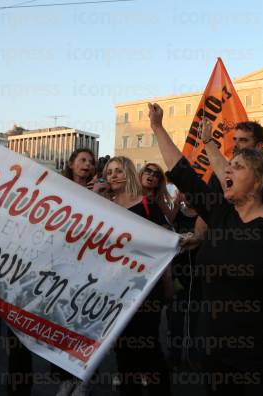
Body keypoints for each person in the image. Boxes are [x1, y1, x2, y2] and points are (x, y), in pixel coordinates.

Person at [149, 102, 263, 396]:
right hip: (216, 356)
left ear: (258, 183)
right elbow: (182, 171)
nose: (226, 171)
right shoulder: (220, 214)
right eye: (228, 167)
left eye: (237, 168)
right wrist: (158, 128)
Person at [103, 156, 173, 395]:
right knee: (123, 351)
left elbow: (166, 247)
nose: (112, 175)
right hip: (115, 291)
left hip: (145, 291)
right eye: (109, 171)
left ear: (130, 174)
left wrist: (168, 285)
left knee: (148, 346)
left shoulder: (147, 206)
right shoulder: (103, 207)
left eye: (118, 170)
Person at [139, 163, 180, 229]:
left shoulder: (158, 199)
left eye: (156, 175)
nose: (152, 174)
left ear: (158, 183)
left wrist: (176, 204)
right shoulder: (131, 195)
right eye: (148, 171)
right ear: (141, 175)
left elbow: (170, 219)